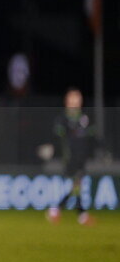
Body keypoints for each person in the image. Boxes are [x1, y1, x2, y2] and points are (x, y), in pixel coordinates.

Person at [46, 87, 97, 225]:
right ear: (67, 101)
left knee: (76, 187)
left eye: (77, 98)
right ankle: (72, 213)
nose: (75, 101)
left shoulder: (85, 118)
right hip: (69, 157)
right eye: (72, 98)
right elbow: (57, 137)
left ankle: (61, 211)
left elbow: (93, 137)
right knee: (77, 184)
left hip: (82, 157)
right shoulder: (62, 119)